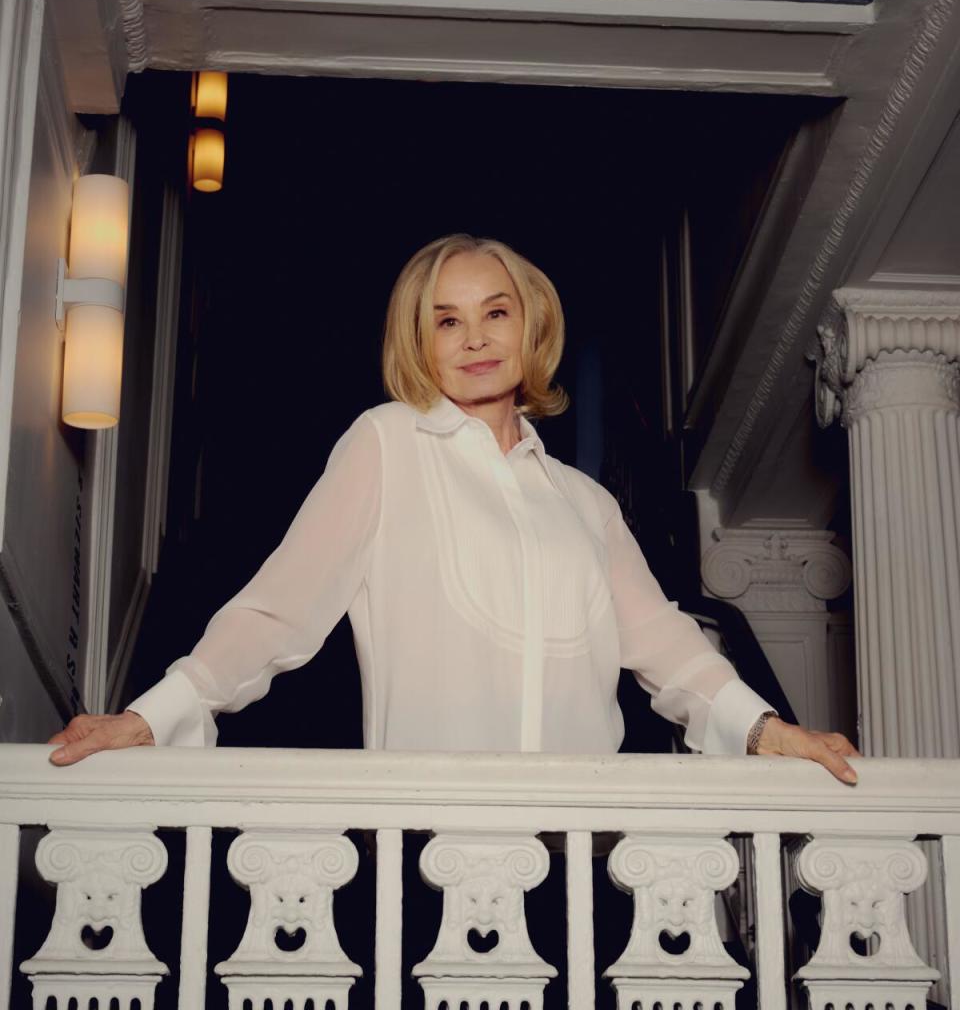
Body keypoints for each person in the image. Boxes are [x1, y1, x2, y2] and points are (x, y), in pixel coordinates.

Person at [49, 234, 859, 782]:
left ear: (530, 325)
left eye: (494, 313)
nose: (474, 338)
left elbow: (668, 648)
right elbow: (277, 611)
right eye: (447, 321)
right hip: (433, 847)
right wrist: (153, 716)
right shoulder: (386, 444)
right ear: (420, 342)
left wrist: (768, 730)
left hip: (590, 854)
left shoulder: (586, 503)